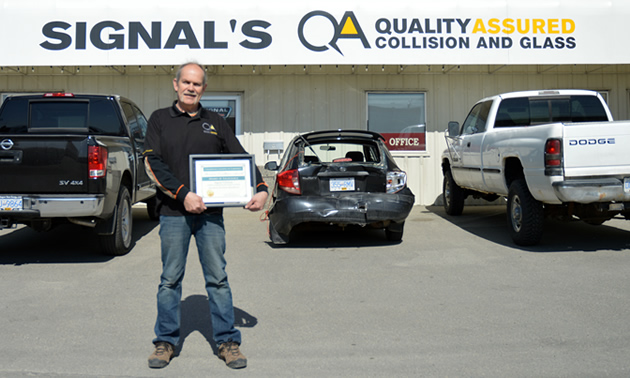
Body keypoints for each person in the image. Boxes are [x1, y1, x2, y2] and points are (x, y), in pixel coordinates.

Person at [143, 62, 268, 369]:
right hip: (174, 213)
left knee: (218, 279)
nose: (191, 88)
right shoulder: (159, 119)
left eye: (197, 84)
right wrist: (183, 194)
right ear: (175, 84)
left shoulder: (215, 121)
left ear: (204, 88)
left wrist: (261, 186)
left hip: (210, 217)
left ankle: (227, 342)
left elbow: (239, 156)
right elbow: (153, 165)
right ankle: (165, 341)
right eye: (186, 82)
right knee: (170, 280)